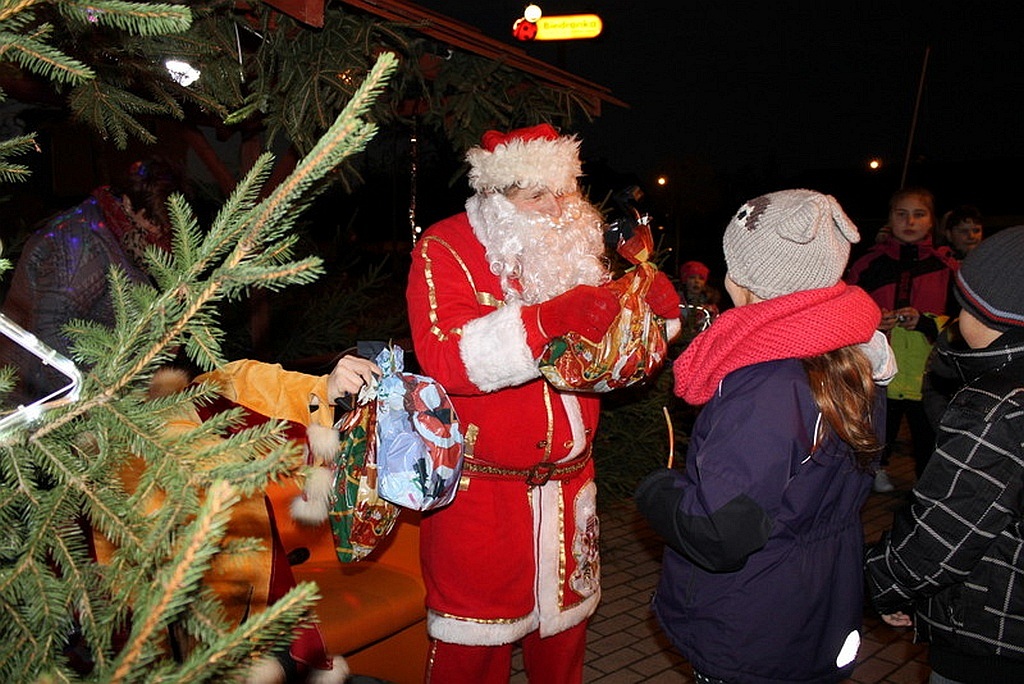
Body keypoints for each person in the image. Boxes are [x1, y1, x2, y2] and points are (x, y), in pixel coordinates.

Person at [405, 123, 680, 683]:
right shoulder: (446, 247)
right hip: (482, 497)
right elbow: (445, 358)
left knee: (563, 651)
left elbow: (609, 364)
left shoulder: (573, 249)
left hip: (569, 493)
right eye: (536, 195)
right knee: (472, 651)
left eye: (564, 192)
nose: (557, 209)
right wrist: (542, 322)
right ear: (496, 195)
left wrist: (651, 321)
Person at [636, 189, 891, 683]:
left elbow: (720, 531)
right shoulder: (856, 357)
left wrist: (657, 491)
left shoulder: (766, 386)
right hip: (817, 598)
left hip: (751, 618)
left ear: (745, 280)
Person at [865, 226, 1024, 683]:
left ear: (991, 315)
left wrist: (881, 583)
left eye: (962, 306)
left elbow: (945, 528)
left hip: (991, 636)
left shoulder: (996, 406)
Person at [0, 158, 183, 406]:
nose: (158, 230)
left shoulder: (127, 238)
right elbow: (51, 333)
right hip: (42, 397)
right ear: (128, 203)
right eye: (152, 220)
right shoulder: (79, 241)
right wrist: (97, 396)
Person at [846, 187, 959, 490]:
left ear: (931, 221)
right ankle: (876, 470)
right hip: (882, 369)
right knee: (879, 426)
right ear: (889, 218)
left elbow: (961, 323)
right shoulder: (868, 263)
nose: (910, 222)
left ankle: (927, 485)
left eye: (919, 214)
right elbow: (848, 309)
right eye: (901, 214)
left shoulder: (947, 267)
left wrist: (925, 322)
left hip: (927, 372)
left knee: (927, 432)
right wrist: (873, 320)